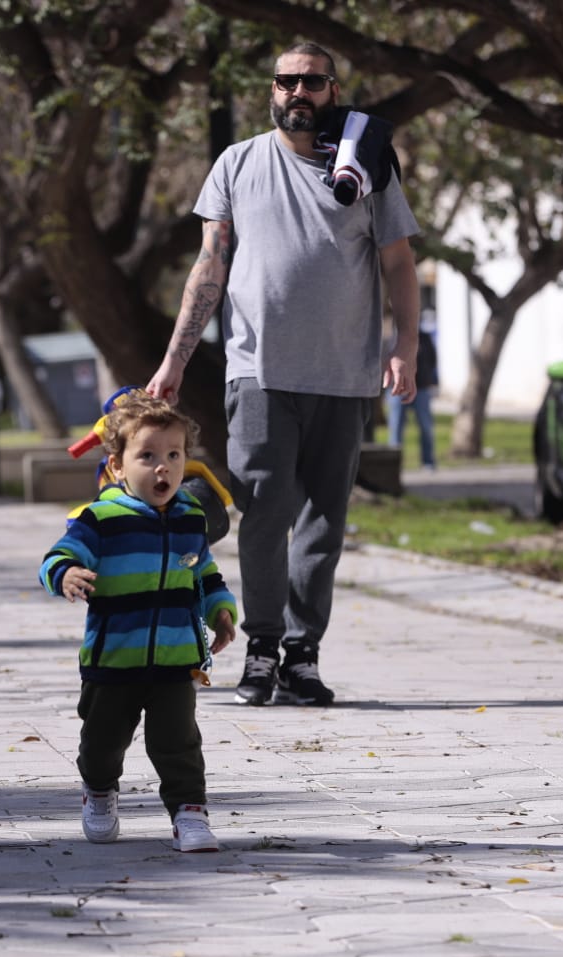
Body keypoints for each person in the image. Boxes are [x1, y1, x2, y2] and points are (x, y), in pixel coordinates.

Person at [147, 41, 422, 708]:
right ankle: (262, 651)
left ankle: (303, 655)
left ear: (334, 90)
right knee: (265, 516)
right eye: (287, 80)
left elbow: (398, 265)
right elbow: (210, 266)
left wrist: (405, 347)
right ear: (270, 89)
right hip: (258, 372)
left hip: (345, 376)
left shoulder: (367, 166)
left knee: (324, 521)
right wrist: (174, 361)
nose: (298, 91)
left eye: (313, 82)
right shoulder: (238, 163)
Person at [39, 391, 238, 852]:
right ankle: (100, 792)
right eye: (147, 456)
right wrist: (65, 573)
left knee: (179, 743)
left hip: (175, 658)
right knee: (103, 743)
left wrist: (222, 610)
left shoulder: (191, 518)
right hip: (114, 660)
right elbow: (59, 555)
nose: (162, 467)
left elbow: (204, 573)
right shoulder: (101, 520)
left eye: (173, 455)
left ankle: (189, 814)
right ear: (117, 465)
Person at [386, 318, 439, 470]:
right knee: (396, 428)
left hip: (421, 387)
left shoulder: (424, 337)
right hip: (396, 389)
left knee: (426, 426)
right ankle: (393, 466)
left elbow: (432, 359)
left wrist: (426, 378)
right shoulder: (392, 338)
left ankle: (428, 462)